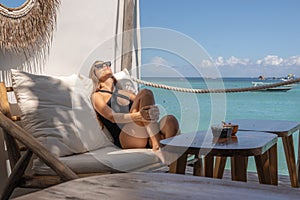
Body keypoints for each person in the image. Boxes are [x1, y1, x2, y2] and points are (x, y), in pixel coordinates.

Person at [89, 60, 179, 151]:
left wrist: (152, 112)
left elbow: (145, 103)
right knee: (145, 92)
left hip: (144, 132)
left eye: (107, 64)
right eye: (100, 66)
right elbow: (112, 117)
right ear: (94, 75)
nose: (105, 66)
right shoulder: (97, 96)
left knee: (170, 120)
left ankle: (169, 156)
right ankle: (157, 144)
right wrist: (138, 116)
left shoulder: (124, 92)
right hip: (126, 136)